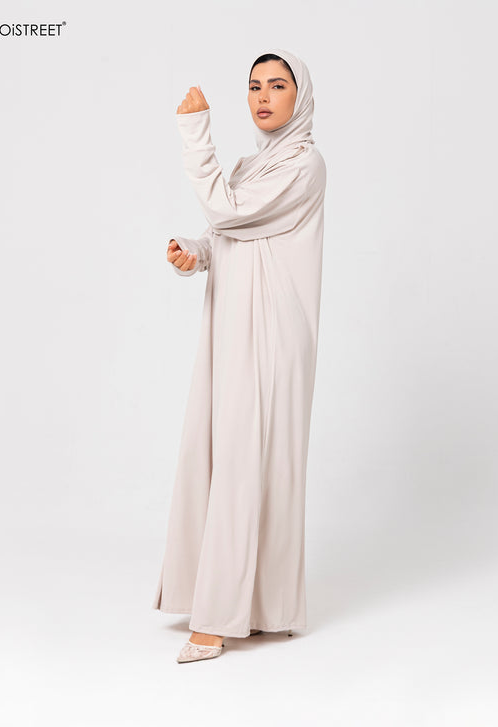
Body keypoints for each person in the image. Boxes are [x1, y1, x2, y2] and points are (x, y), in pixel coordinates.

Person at [153, 48, 327, 663]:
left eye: (277, 85)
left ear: (299, 97)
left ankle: (218, 618)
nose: (262, 97)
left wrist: (195, 135)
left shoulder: (304, 164)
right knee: (224, 451)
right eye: (254, 86)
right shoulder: (255, 165)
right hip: (234, 323)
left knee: (245, 458)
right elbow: (230, 230)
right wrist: (196, 252)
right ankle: (259, 606)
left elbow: (226, 209)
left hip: (272, 331)